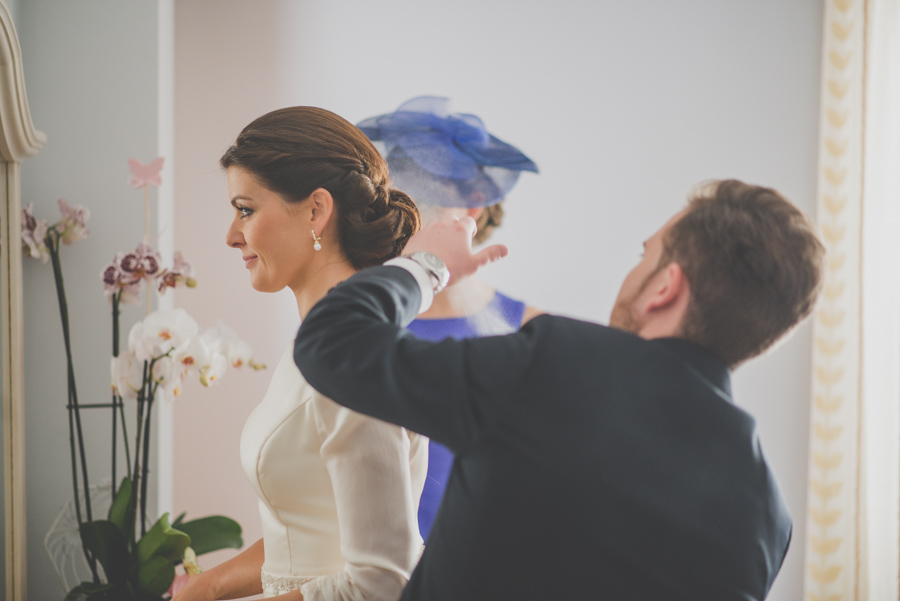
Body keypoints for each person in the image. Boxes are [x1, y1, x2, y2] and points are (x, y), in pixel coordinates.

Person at [294, 179, 826, 601]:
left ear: (666, 286)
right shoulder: (766, 522)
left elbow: (333, 343)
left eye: (645, 255)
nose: (632, 271)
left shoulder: (557, 363)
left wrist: (426, 264)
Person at [174, 107, 427, 601]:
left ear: (315, 210)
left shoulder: (354, 358)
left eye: (245, 209)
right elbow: (310, 532)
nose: (231, 234)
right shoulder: (318, 344)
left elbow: (381, 582)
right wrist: (204, 589)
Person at [357, 96, 541, 539]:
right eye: (394, 197)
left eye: (425, 193)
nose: (405, 217)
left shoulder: (533, 332)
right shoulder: (357, 325)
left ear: (473, 207)